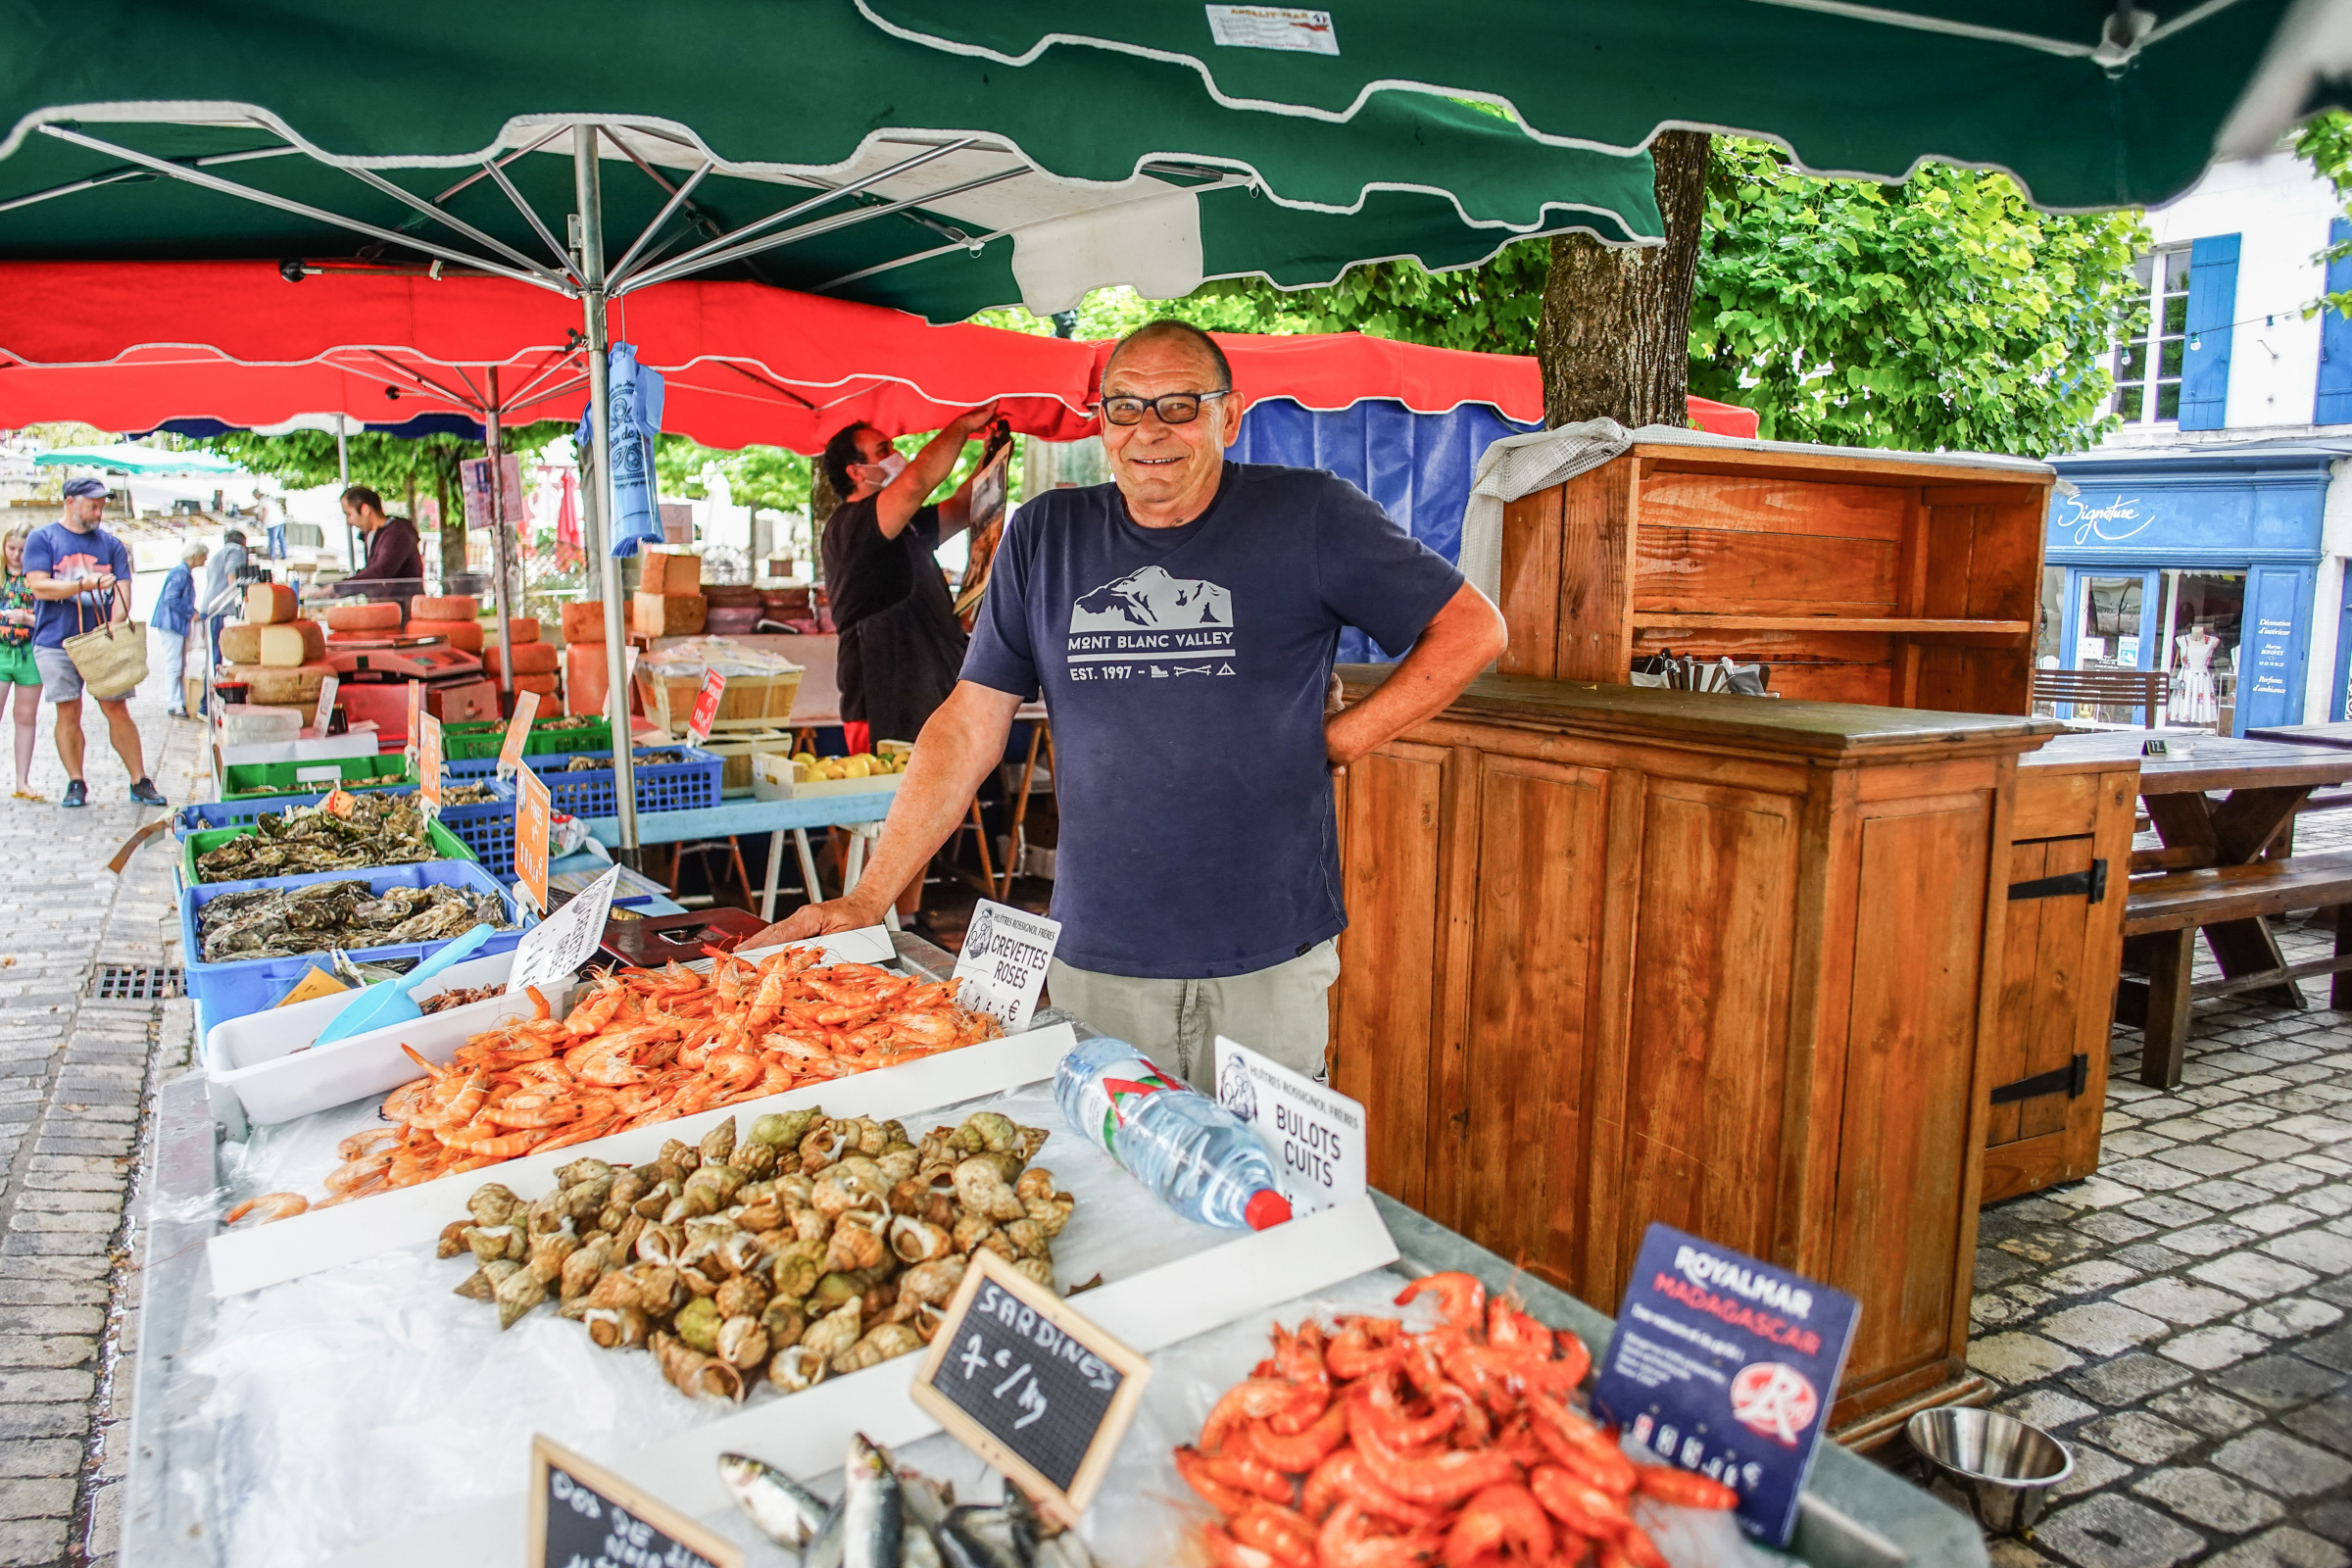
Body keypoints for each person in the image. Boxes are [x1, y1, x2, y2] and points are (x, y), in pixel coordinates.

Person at [758, 321, 1506, 1086]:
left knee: (1269, 1189)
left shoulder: (1311, 515)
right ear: (1103, 425)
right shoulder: (1045, 534)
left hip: (1266, 953)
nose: (1150, 431)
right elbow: (968, 723)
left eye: (1180, 406)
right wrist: (869, 896)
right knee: (1116, 1174)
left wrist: (1343, 739)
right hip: (1099, 955)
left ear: (1229, 416)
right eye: (1124, 407)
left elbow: (1472, 628)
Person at [816, 403, 1001, 924]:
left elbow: (967, 505)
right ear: (856, 472)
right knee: (887, 816)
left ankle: (907, 923)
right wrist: (962, 427)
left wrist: (992, 457)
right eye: (882, 451)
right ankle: (861, 924)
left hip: (927, 684)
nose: (895, 456)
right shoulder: (853, 525)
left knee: (922, 805)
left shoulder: (909, 528)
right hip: (883, 690)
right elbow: (919, 478)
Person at [24, 478, 167, 808]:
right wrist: (82, 585)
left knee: (117, 707)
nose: (99, 511)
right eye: (93, 505)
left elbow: (124, 592)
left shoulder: (112, 545)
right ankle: (76, 781)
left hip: (104, 642)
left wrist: (112, 628)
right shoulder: (42, 539)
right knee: (68, 710)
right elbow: (39, 587)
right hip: (55, 641)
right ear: (70, 502)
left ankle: (139, 780)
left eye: (102, 505)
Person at [0, 526, 44, 800]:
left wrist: (27, 619)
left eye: (22, 549)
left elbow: (52, 620)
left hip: (30, 653)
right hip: (1, 651)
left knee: (26, 717)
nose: (16, 555)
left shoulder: (37, 577)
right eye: (11, 548)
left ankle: (22, 781)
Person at [334, 485, 424, 597]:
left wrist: (338, 588)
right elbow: (373, 572)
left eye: (349, 514)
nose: (349, 521)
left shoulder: (398, 533)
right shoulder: (371, 535)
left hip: (403, 611)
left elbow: (381, 571)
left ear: (365, 510)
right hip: (386, 609)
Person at [155, 541, 207, 718]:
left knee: (178, 663)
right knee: (175, 663)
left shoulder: (182, 572)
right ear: (194, 556)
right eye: (203, 556)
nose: (205, 559)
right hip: (172, 623)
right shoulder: (181, 573)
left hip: (173, 623)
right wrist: (190, 612)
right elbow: (171, 597)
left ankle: (178, 701)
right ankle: (175, 703)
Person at [200, 526, 248, 676]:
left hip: (208, 606)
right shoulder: (237, 551)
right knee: (218, 652)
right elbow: (232, 575)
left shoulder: (218, 554)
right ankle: (214, 690)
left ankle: (207, 694)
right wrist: (238, 600)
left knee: (213, 651)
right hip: (220, 609)